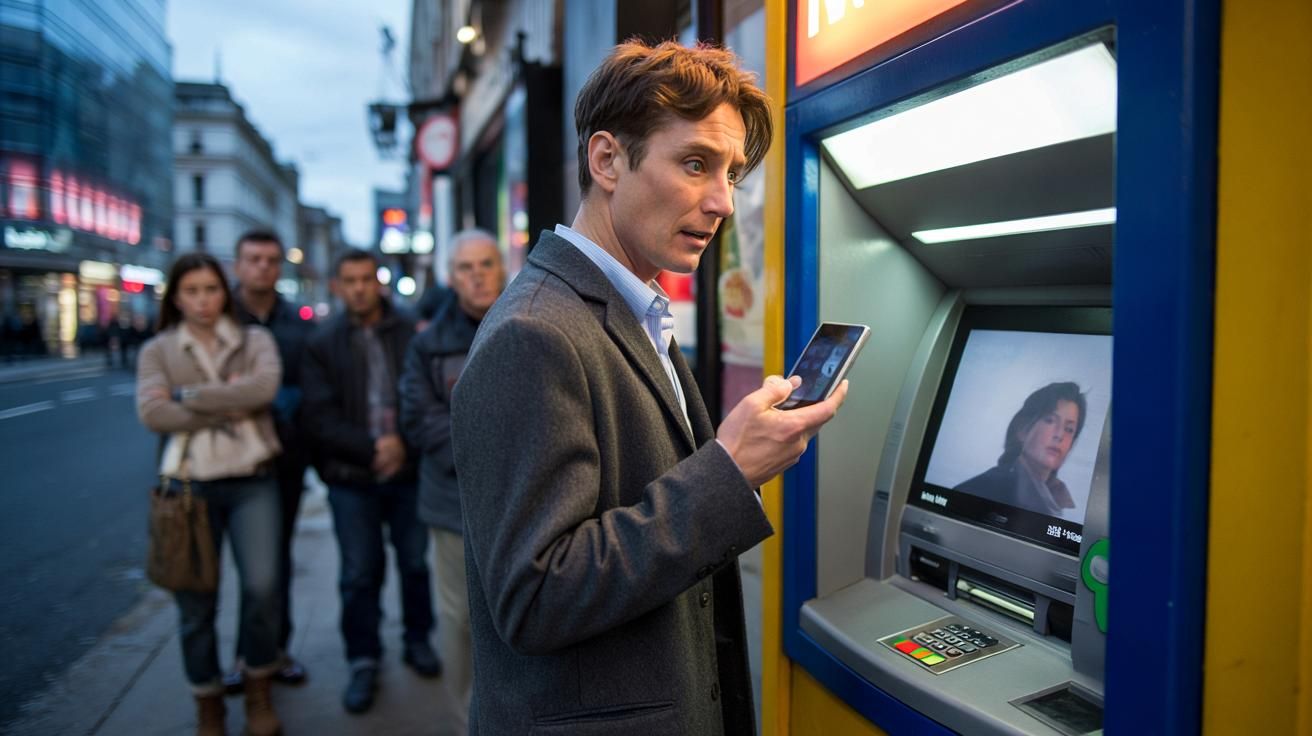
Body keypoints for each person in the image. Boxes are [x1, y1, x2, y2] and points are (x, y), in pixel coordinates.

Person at [450, 41, 848, 734]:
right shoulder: (537, 333)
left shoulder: (628, 306)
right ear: (607, 160)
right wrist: (728, 472)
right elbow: (535, 595)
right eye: (695, 163)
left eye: (732, 173)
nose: (722, 200)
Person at [135, 253, 284, 736]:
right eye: (192, 291)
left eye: (211, 289)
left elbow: (263, 389)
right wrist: (226, 401)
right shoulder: (159, 350)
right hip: (188, 487)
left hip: (251, 478)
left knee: (263, 588)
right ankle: (208, 700)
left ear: (225, 291)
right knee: (196, 602)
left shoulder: (254, 339)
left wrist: (188, 397)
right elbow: (152, 414)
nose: (203, 301)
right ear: (176, 297)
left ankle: (258, 684)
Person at [302, 248, 441, 714]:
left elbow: (426, 394)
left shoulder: (411, 332)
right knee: (359, 572)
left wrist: (402, 442)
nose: (359, 288)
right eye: (350, 280)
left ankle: (418, 639)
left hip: (407, 471)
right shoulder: (322, 342)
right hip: (351, 475)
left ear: (378, 282)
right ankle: (363, 658)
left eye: (366, 279)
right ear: (337, 286)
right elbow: (318, 417)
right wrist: (372, 449)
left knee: (415, 563)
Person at [399, 229, 504, 733]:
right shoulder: (427, 344)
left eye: (486, 263)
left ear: (502, 267)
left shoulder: (529, 321)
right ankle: (468, 719)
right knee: (461, 621)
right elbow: (420, 420)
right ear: (450, 277)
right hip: (452, 505)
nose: (478, 274)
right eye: (466, 267)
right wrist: (497, 453)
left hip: (518, 501)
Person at [221, 229, 317, 692]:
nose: (262, 267)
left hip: (282, 461)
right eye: (253, 259)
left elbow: (310, 390)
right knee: (224, 568)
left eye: (271, 260)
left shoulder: (296, 324)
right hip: (222, 461)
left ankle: (270, 651)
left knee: (271, 562)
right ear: (237, 265)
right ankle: (244, 653)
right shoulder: (217, 319)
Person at [954, 381, 1087, 515]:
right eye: (1050, 421)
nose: (1060, 435)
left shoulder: (1054, 498)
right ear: (1022, 430)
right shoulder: (986, 487)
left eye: (1069, 429)